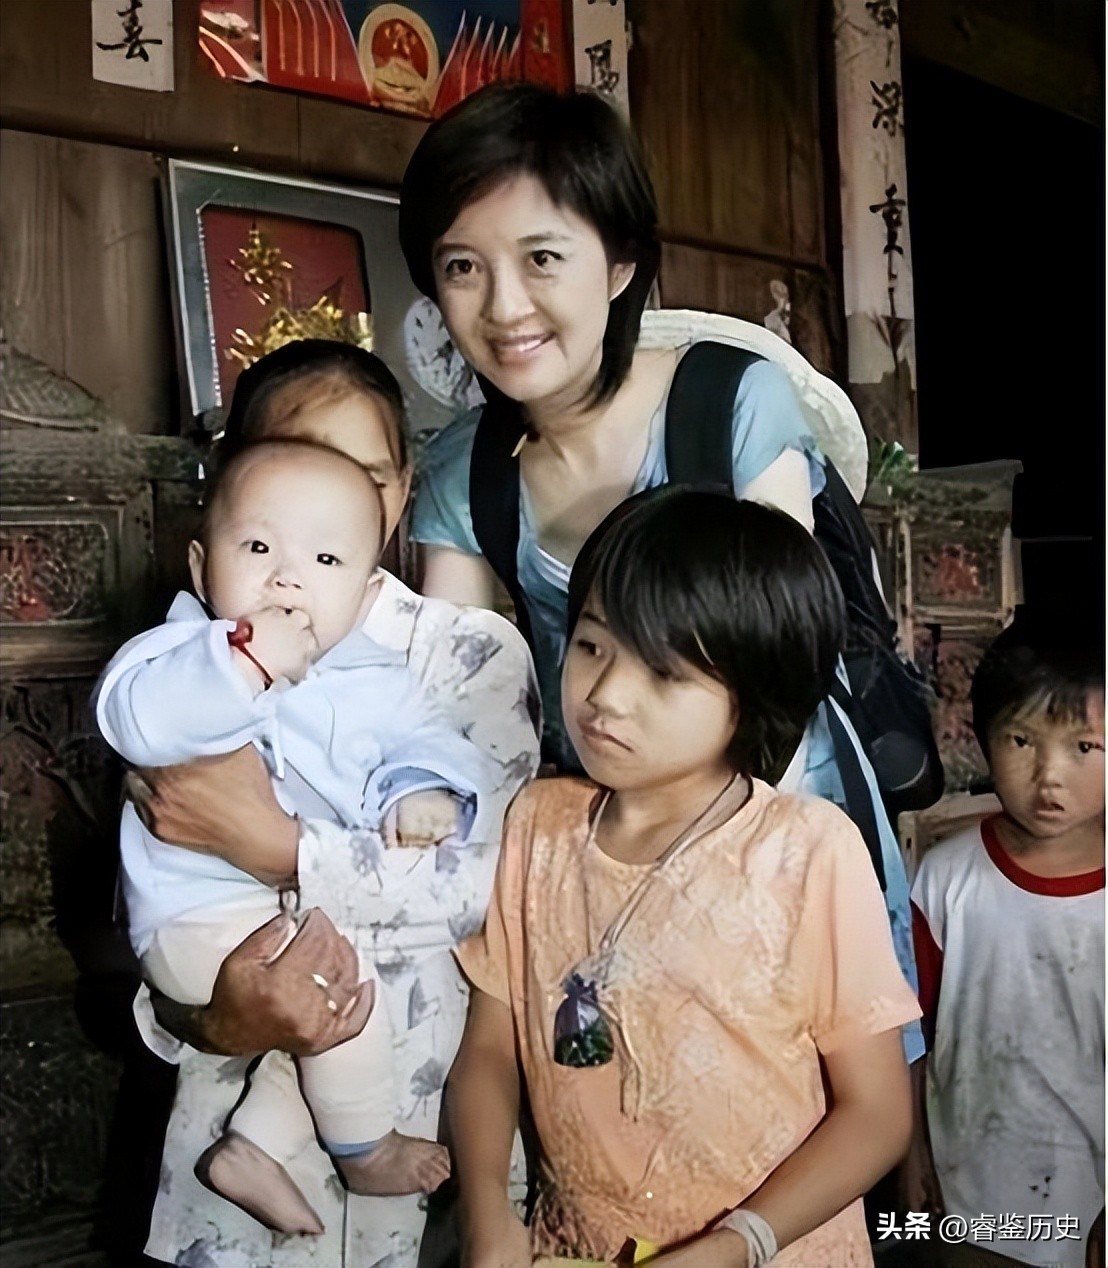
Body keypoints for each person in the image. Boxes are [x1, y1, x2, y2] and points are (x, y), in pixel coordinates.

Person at [399, 82, 925, 1063]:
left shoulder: (727, 403)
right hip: (606, 835)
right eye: (462, 266)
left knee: (844, 1092)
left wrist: (710, 871)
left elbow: (775, 664)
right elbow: (452, 705)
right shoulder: (463, 471)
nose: (503, 306)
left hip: (784, 809)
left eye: (542, 258)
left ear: (620, 263)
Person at [123, 342, 541, 1267]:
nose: (325, 495)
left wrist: (282, 850)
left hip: (423, 1096)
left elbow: (492, 891)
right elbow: (153, 891)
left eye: (366, 473)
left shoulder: (465, 654)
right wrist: (211, 1018)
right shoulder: (189, 656)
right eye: (296, 457)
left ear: (402, 492)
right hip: (230, 1097)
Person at [450, 487, 921, 1267]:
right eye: (592, 645)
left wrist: (740, 1244)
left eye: (664, 675)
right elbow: (490, 1051)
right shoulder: (537, 827)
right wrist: (488, 1210)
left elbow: (876, 1115)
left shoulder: (805, 852)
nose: (605, 695)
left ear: (754, 693)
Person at [908, 615, 1104, 1268]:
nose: (1050, 776)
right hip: (970, 1199)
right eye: (1022, 740)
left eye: (1084, 747)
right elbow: (909, 1033)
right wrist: (910, 1155)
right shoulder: (945, 879)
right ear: (982, 737)